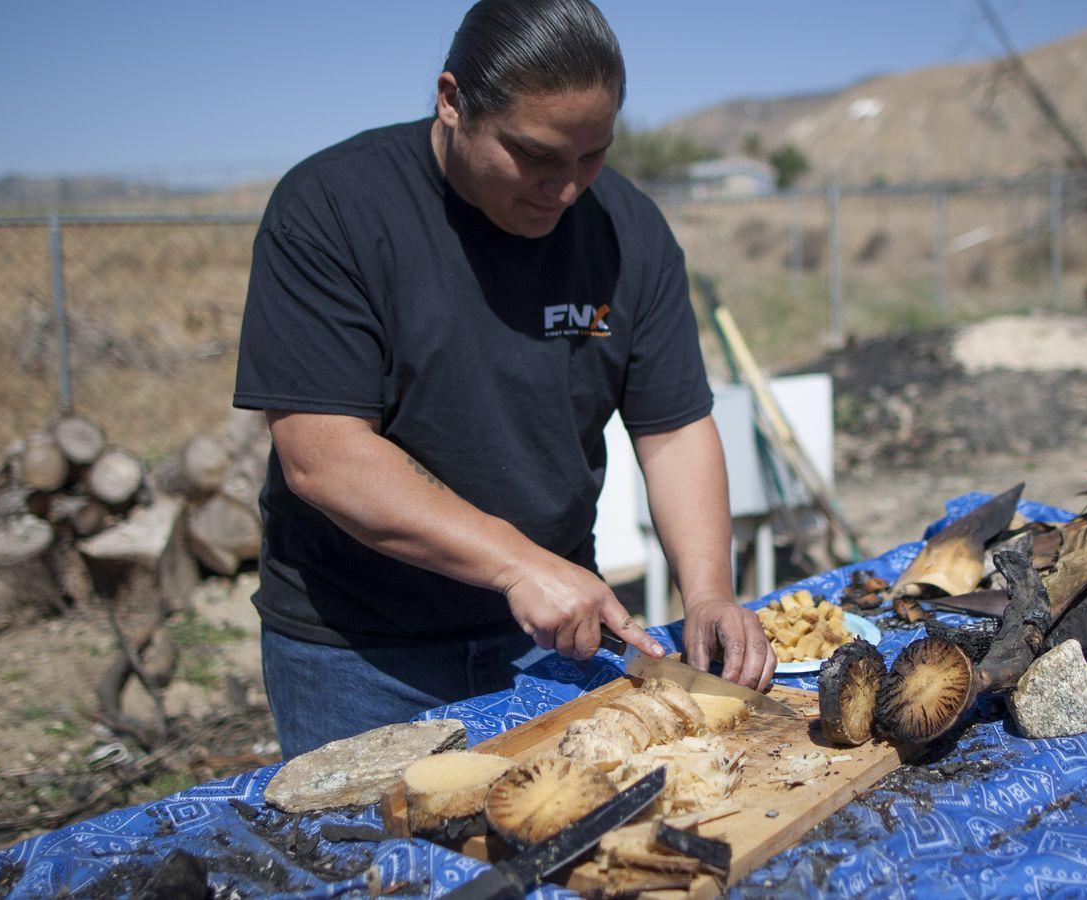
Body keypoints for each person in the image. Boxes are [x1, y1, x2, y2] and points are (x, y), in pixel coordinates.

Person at [233, 0, 775, 758]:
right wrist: (516, 564)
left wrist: (709, 591)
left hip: (556, 638)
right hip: (362, 653)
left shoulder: (630, 231)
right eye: (535, 155)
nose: (566, 189)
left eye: (593, 156)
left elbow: (674, 428)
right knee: (378, 869)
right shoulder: (334, 210)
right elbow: (323, 456)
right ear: (453, 102)